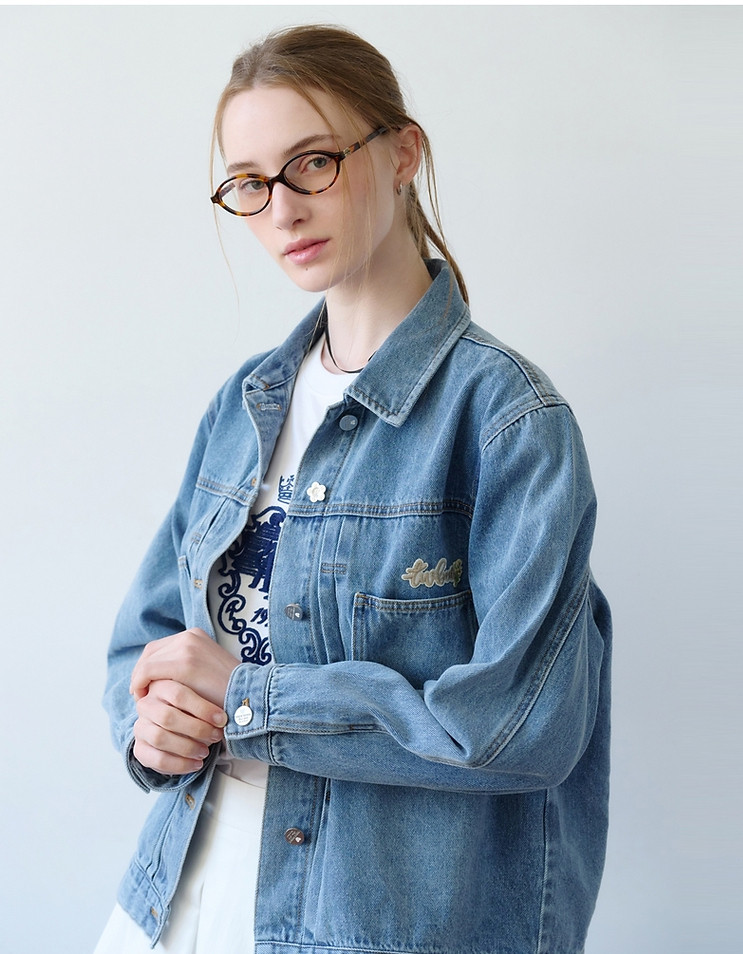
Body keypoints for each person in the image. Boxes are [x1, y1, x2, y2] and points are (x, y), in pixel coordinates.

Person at [96, 23, 612, 954]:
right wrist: (149, 723)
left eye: (314, 163)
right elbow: (149, 641)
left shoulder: (506, 420)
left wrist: (251, 701)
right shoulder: (246, 402)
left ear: (403, 153)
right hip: (174, 903)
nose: (283, 211)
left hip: (373, 925)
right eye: (250, 182)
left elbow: (519, 727)